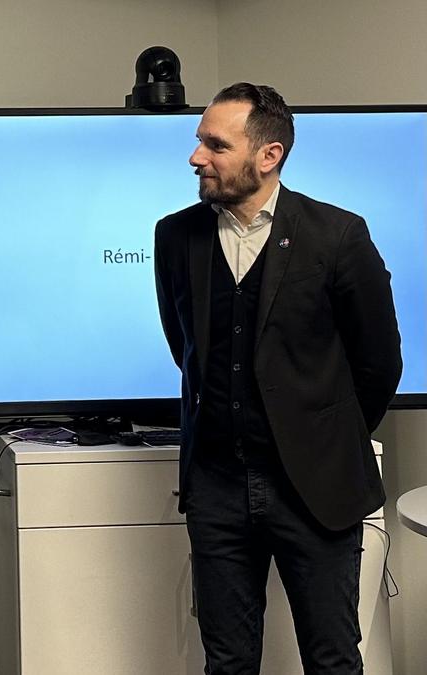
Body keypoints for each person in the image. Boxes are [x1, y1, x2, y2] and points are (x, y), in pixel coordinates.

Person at [154, 82, 402, 674]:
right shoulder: (176, 236)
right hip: (216, 486)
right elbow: (185, 348)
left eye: (216, 145)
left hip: (316, 490)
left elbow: (379, 363)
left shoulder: (337, 235)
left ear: (269, 156)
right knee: (227, 663)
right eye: (199, 141)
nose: (196, 157)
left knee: (332, 660)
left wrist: (322, 438)